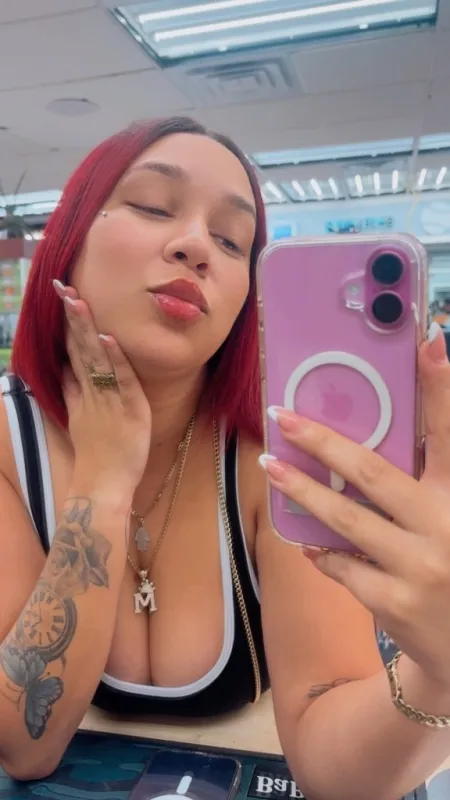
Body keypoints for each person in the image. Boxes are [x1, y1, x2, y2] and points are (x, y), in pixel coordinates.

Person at [0, 117, 450, 800]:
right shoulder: (8, 437)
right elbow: (23, 746)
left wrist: (439, 675)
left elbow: (334, 772)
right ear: (69, 238)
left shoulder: (281, 450)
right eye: (153, 206)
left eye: (232, 240)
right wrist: (105, 480)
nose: (195, 246)